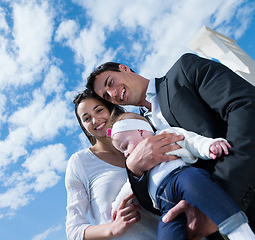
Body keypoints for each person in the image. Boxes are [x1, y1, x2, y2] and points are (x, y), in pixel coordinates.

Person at [86, 53, 255, 235]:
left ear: (124, 68)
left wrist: (218, 200)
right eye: (106, 96)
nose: (112, 94)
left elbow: (245, 107)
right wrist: (135, 170)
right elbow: (153, 198)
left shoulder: (184, 70)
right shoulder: (137, 131)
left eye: (110, 83)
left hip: (244, 192)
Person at [65, 89, 217, 240]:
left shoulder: (145, 139)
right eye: (86, 118)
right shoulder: (80, 162)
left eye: (99, 110)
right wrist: (112, 229)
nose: (95, 120)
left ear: (112, 109)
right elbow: (74, 231)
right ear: (83, 126)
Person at [108, 111, 254, 240]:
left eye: (125, 146)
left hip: (180, 177)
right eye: (123, 152)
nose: (126, 154)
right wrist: (117, 204)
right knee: (166, 227)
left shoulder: (165, 135)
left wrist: (210, 146)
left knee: (195, 182)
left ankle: (238, 230)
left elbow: (192, 141)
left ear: (141, 132)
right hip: (164, 203)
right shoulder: (138, 163)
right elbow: (129, 186)